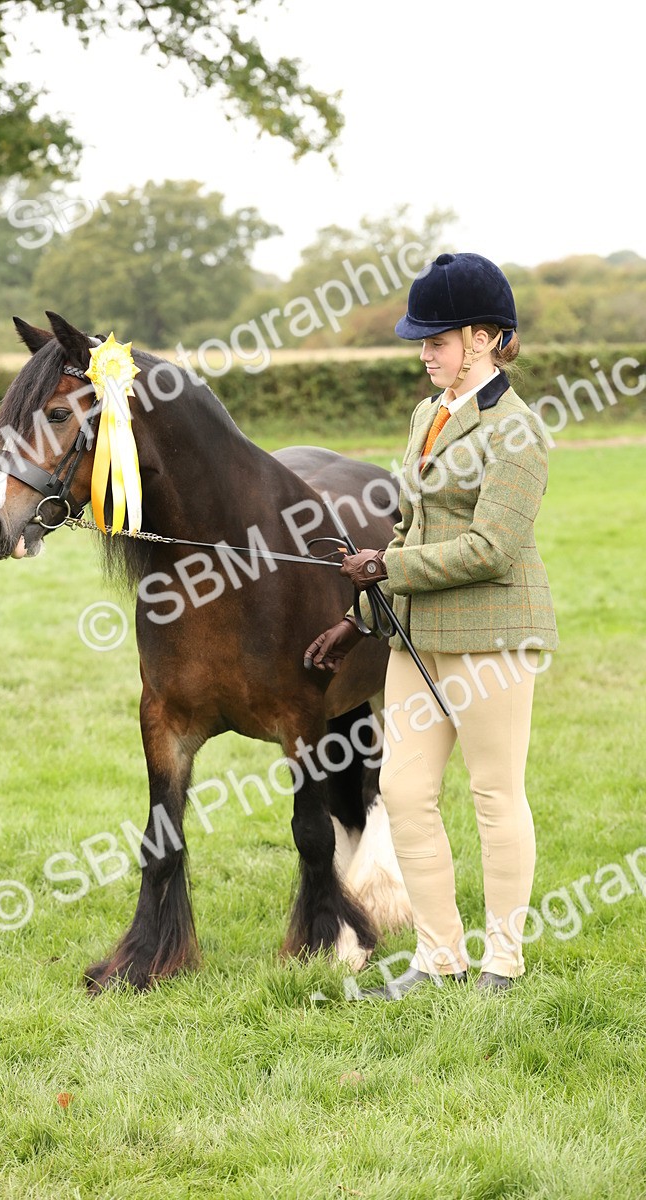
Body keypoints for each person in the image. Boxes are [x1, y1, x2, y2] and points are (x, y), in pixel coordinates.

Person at [304, 252, 558, 998]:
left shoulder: (516, 431)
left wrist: (386, 570)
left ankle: (502, 963)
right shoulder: (428, 415)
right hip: (416, 641)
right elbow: (410, 529)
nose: (424, 354)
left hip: (493, 637)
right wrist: (357, 621)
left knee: (493, 794)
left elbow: (492, 548)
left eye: (436, 341)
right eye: (422, 342)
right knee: (407, 793)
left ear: (483, 338)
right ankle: (439, 957)